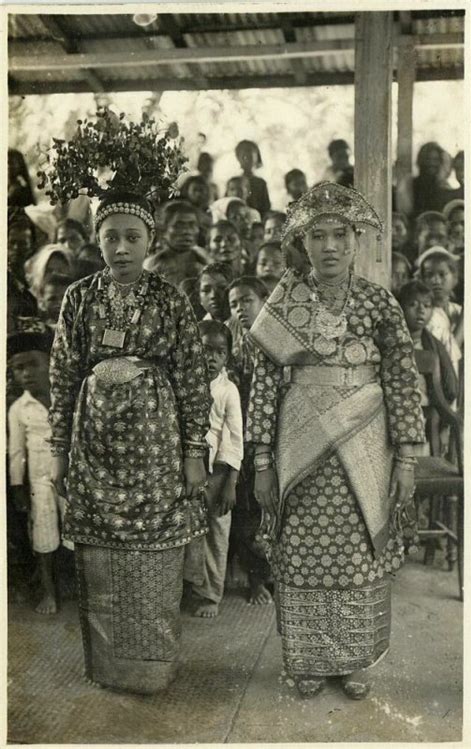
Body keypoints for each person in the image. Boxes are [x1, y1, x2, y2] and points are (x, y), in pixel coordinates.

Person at [44, 110, 211, 694]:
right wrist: (58, 451)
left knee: (155, 553)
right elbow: (63, 374)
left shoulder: (170, 298)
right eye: (110, 236)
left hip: (157, 448)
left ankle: (151, 668)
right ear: (97, 238)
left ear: (151, 241)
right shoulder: (79, 299)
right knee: (99, 555)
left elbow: (193, 377)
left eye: (132, 237)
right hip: (94, 446)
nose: (120, 248)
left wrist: (195, 452)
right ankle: (110, 668)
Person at [246, 182, 425, 700]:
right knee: (302, 552)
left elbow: (400, 379)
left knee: (354, 554)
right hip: (298, 444)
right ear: (303, 243)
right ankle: (306, 659)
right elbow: (263, 383)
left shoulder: (378, 302)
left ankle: (352, 659)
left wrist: (407, 459)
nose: (329, 246)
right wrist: (262, 460)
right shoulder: (284, 304)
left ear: (356, 240)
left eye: (339, 235)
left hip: (365, 446)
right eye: (318, 236)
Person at [184, 320, 243, 618]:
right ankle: (191, 589)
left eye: (220, 352)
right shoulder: (183, 383)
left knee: (217, 534)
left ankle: (211, 596)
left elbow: (234, 437)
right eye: (206, 350)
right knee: (188, 533)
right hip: (188, 469)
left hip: (219, 472)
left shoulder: (228, 390)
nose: (212, 358)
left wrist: (230, 482)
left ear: (228, 357)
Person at [8, 326, 62, 615]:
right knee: (42, 535)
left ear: (50, 363)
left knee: (79, 533)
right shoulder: (19, 408)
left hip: (72, 478)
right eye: (18, 368)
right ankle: (49, 592)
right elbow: (16, 452)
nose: (26, 373)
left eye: (32, 365)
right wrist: (18, 487)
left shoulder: (67, 396)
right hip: (39, 482)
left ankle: (84, 589)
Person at [227, 277, 273, 606]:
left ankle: (279, 576)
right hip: (245, 432)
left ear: (263, 300)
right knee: (249, 508)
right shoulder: (232, 340)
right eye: (234, 304)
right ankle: (256, 579)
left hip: (276, 432)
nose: (240, 308)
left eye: (246, 300)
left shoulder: (277, 337)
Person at [398, 280, 458, 453]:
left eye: (426, 305)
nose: (421, 310)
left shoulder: (434, 346)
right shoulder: (391, 342)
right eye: (412, 304)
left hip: (427, 416)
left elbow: (450, 386)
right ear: (399, 307)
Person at [417, 247, 463, 377]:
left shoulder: (456, 310)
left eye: (442, 275)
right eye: (429, 275)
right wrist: (465, 319)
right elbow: (449, 355)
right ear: (421, 279)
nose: (435, 280)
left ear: (455, 279)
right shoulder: (426, 314)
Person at [144, 200, 209, 286]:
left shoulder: (206, 262)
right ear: (164, 231)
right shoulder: (152, 266)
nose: (186, 231)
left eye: (192, 225)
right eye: (179, 225)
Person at [233, 140, 271, 217]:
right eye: (243, 155)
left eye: (250, 155)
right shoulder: (234, 182)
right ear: (238, 158)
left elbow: (266, 208)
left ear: (257, 157)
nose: (246, 158)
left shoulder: (260, 183)